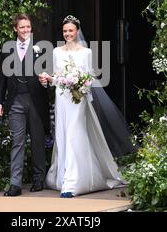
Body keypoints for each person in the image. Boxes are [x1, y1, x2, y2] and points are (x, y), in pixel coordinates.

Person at [39, 15, 129, 198]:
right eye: (65, 31)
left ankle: (73, 183)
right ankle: (64, 177)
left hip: (78, 99)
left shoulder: (85, 53)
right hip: (62, 98)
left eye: (71, 30)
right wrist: (49, 79)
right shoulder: (57, 52)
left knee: (74, 134)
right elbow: (56, 76)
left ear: (77, 31)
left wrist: (79, 85)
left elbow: (89, 78)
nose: (68, 34)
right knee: (63, 134)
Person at [0, 13, 50, 196]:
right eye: (22, 27)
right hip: (15, 100)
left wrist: (46, 82)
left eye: (28, 27)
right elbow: (2, 79)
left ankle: (38, 180)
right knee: (17, 143)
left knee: (37, 141)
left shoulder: (40, 49)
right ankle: (15, 184)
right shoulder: (7, 49)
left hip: (36, 100)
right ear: (15, 29)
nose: (25, 30)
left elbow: (49, 74)